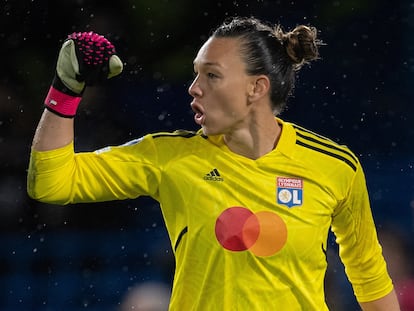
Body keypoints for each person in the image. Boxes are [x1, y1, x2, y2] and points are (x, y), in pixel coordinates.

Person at [27, 17, 400, 310]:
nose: (193, 87)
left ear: (257, 88)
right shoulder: (169, 157)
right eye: (195, 72)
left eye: (212, 75)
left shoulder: (334, 166)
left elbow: (368, 270)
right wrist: (66, 89)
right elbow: (51, 183)